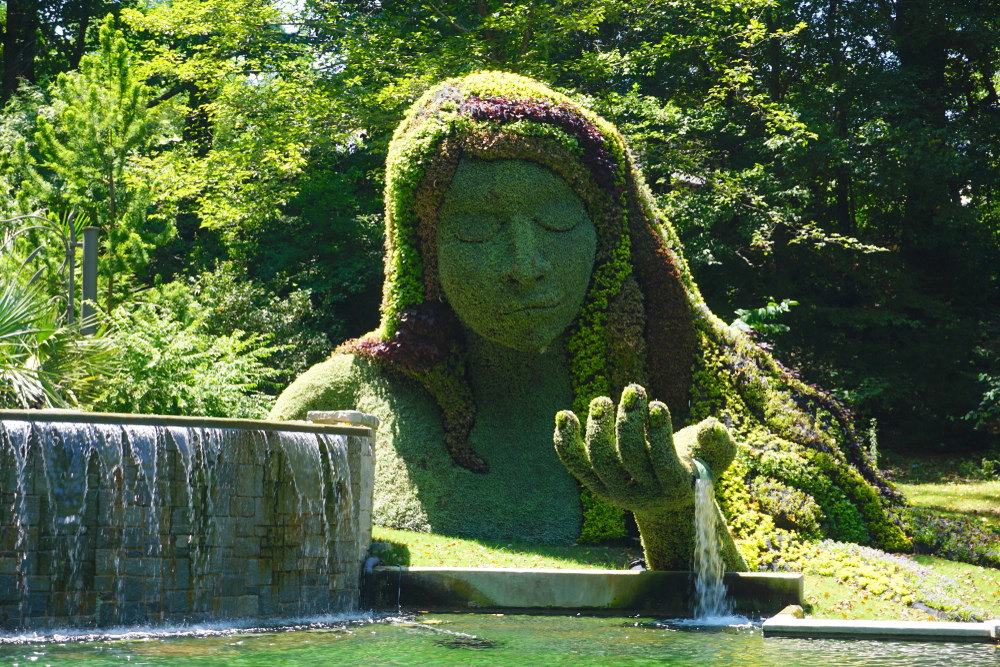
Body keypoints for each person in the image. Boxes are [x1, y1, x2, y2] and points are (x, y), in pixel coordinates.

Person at [271, 72, 907, 570]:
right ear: (423, 253)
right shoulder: (338, 398)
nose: (525, 265)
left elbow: (759, 613)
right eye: (475, 229)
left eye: (554, 223)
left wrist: (670, 514)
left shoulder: (681, 393)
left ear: (608, 239)